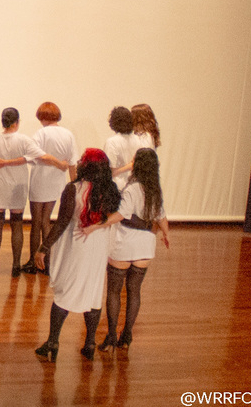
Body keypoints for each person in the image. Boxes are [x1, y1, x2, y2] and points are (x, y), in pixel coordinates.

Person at [33, 148, 121, 361]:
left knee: (66, 291)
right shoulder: (110, 189)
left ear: (85, 165)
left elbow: (62, 222)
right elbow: (113, 216)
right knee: (93, 292)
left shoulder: (73, 188)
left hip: (77, 242)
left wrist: (44, 248)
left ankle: (53, 342)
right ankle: (89, 343)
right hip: (99, 244)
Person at [87, 148, 170, 351]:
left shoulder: (132, 188)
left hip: (125, 242)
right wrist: (166, 235)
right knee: (134, 292)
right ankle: (127, 336)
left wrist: (97, 225)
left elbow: (121, 214)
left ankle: (111, 337)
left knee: (114, 291)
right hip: (145, 245)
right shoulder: (155, 190)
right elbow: (161, 217)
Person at [0, 108, 68, 277]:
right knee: (17, 224)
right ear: (17, 122)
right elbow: (43, 156)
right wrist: (60, 164)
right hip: (18, 187)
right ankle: (15, 265)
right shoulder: (24, 140)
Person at [24, 102, 79, 276]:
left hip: (40, 178)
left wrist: (54, 162)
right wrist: (75, 185)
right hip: (57, 181)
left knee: (36, 222)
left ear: (43, 117)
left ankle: (33, 261)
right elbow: (72, 162)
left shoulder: (41, 133)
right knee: (46, 220)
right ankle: (47, 262)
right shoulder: (68, 134)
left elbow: (34, 154)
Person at [104, 106, 136, 189]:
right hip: (134, 185)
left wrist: (128, 166)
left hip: (118, 186)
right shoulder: (137, 140)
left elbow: (109, 171)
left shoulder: (112, 142)